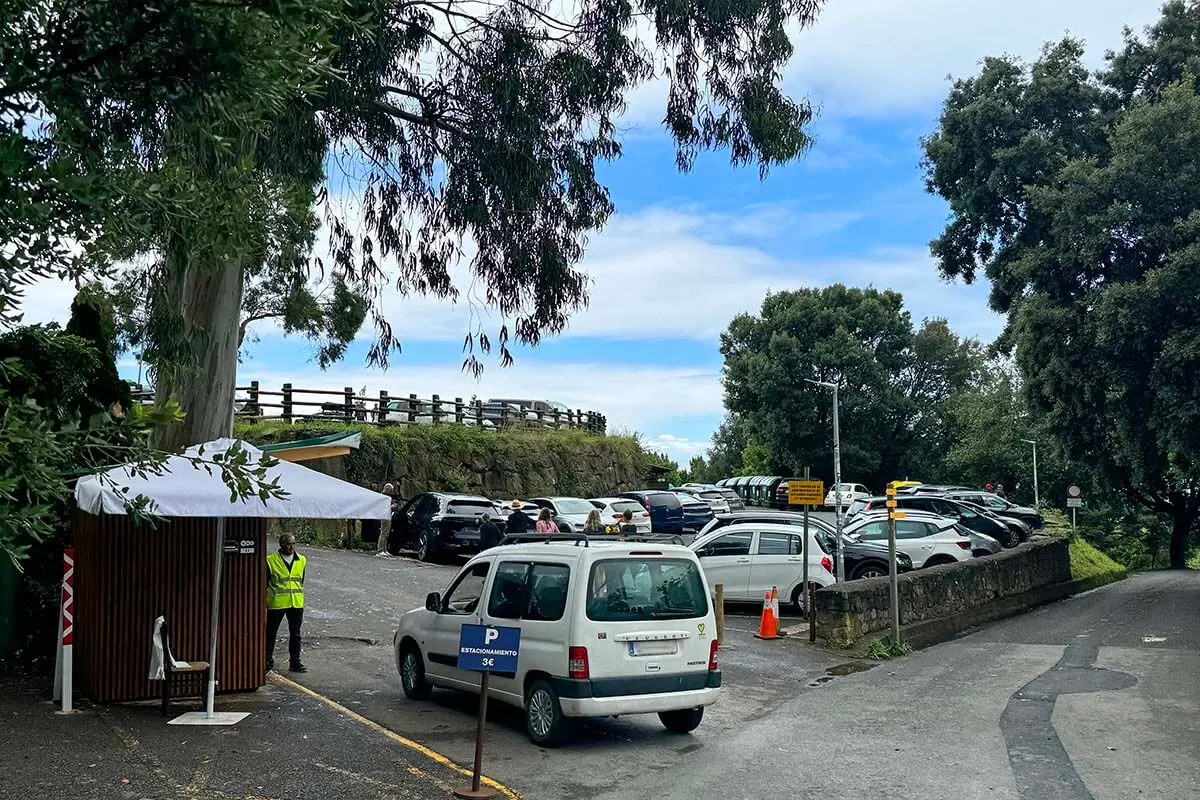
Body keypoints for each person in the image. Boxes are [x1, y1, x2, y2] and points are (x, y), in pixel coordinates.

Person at [266, 533, 307, 673]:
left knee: (295, 634)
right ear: (282, 545)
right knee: (271, 633)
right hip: (277, 603)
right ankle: (267, 660)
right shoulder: (271, 561)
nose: (292, 547)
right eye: (289, 544)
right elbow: (266, 582)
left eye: (294, 543)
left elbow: (301, 580)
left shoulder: (302, 560)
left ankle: (295, 662)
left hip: (296, 602)